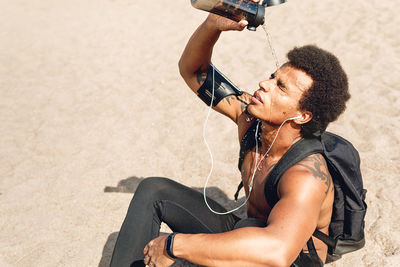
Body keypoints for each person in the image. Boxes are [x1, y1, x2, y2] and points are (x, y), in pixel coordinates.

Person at [110, 2, 350, 266]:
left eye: (280, 87)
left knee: (178, 260)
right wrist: (213, 26)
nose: (264, 84)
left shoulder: (306, 176)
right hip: (249, 229)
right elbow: (193, 71)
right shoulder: (250, 118)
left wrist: (175, 244)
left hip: (284, 257)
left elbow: (277, 251)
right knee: (154, 189)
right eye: (272, 76)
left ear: (302, 116)